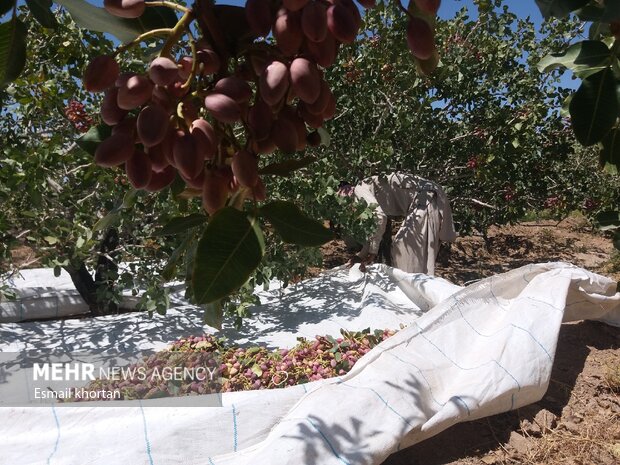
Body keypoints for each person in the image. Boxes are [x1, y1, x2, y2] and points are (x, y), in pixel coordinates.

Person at [339, 172, 456, 275]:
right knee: (414, 258)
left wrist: (373, 252)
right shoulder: (365, 193)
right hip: (428, 197)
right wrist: (361, 256)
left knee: (403, 253)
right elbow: (372, 230)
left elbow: (379, 217)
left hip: (426, 198)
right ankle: (417, 294)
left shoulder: (359, 189)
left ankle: (413, 296)